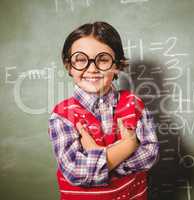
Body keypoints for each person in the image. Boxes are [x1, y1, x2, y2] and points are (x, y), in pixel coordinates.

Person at [48, 21, 159, 200]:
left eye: (103, 59)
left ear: (117, 65)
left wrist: (100, 157)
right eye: (81, 59)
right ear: (69, 66)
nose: (92, 68)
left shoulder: (134, 104)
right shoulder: (62, 115)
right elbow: (74, 171)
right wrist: (127, 146)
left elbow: (149, 155)